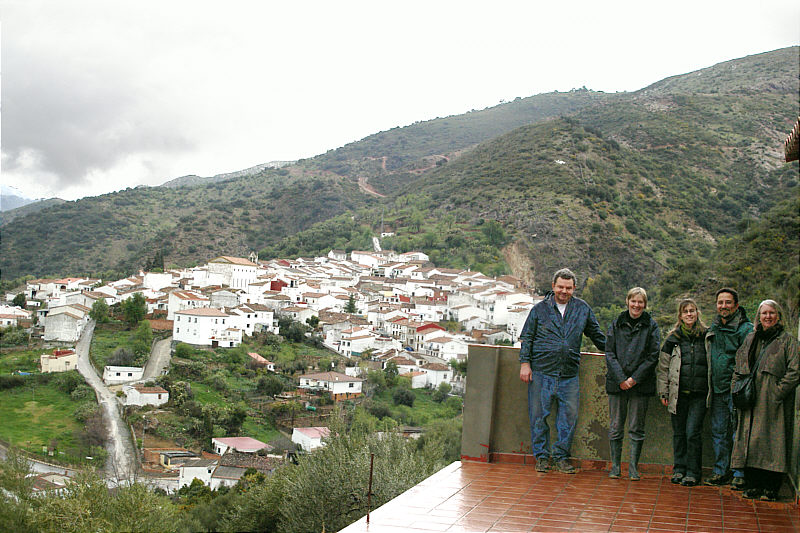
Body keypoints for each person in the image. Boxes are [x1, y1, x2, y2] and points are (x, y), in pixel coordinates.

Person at [519, 268, 606, 474]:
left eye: (568, 288)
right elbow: (527, 338)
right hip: (541, 372)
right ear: (553, 286)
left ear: (574, 288)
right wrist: (525, 364)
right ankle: (541, 457)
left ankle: (561, 457)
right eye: (560, 287)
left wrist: (618, 351)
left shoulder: (582, 309)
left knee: (568, 419)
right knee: (539, 417)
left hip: (569, 375)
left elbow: (597, 336)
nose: (564, 291)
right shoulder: (539, 310)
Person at [731, 300, 799, 501]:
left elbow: (795, 371)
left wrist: (777, 392)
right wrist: (736, 388)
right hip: (750, 400)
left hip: (773, 403)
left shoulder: (788, 341)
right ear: (758, 317)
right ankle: (753, 485)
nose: (767, 317)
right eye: (764, 313)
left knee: (773, 443)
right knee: (751, 441)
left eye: (771, 313)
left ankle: (771, 487)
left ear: (778, 315)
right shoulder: (751, 339)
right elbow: (738, 364)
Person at [604, 287, 661, 481]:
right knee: (615, 427)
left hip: (641, 385)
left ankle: (634, 467)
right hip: (616, 384)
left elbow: (653, 355)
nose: (636, 305)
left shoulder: (651, 326)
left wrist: (634, 379)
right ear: (627, 301)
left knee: (637, 428)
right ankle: (616, 466)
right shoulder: (616, 324)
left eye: (640, 302)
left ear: (645, 304)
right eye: (633, 301)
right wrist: (621, 378)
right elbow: (609, 353)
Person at [704, 288, 753, 489]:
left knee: (738, 431)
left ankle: (739, 473)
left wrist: (736, 380)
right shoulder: (713, 328)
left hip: (737, 390)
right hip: (716, 389)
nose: (724, 306)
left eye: (728, 302)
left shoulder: (746, 329)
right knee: (718, 432)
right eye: (720, 302)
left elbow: (748, 360)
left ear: (736, 305)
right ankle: (720, 471)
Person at [657, 299, 708, 487]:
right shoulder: (672, 339)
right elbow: (663, 368)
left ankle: (693, 472)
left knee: (692, 432)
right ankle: (679, 469)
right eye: (685, 311)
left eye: (692, 311)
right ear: (680, 315)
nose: (689, 314)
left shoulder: (706, 336)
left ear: (697, 313)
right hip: (677, 394)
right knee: (679, 433)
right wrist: (663, 392)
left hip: (699, 394)